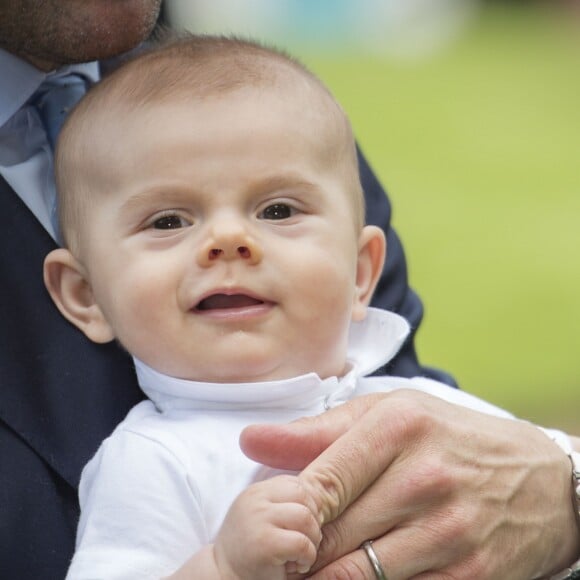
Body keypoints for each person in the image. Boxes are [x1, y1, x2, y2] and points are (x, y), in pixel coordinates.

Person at [0, 2, 578, 579]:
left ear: (359, 274)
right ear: (84, 295)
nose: (228, 240)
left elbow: (536, 477)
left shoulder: (412, 403)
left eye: (276, 209)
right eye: (169, 222)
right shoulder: (154, 464)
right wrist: (224, 567)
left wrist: (565, 489)